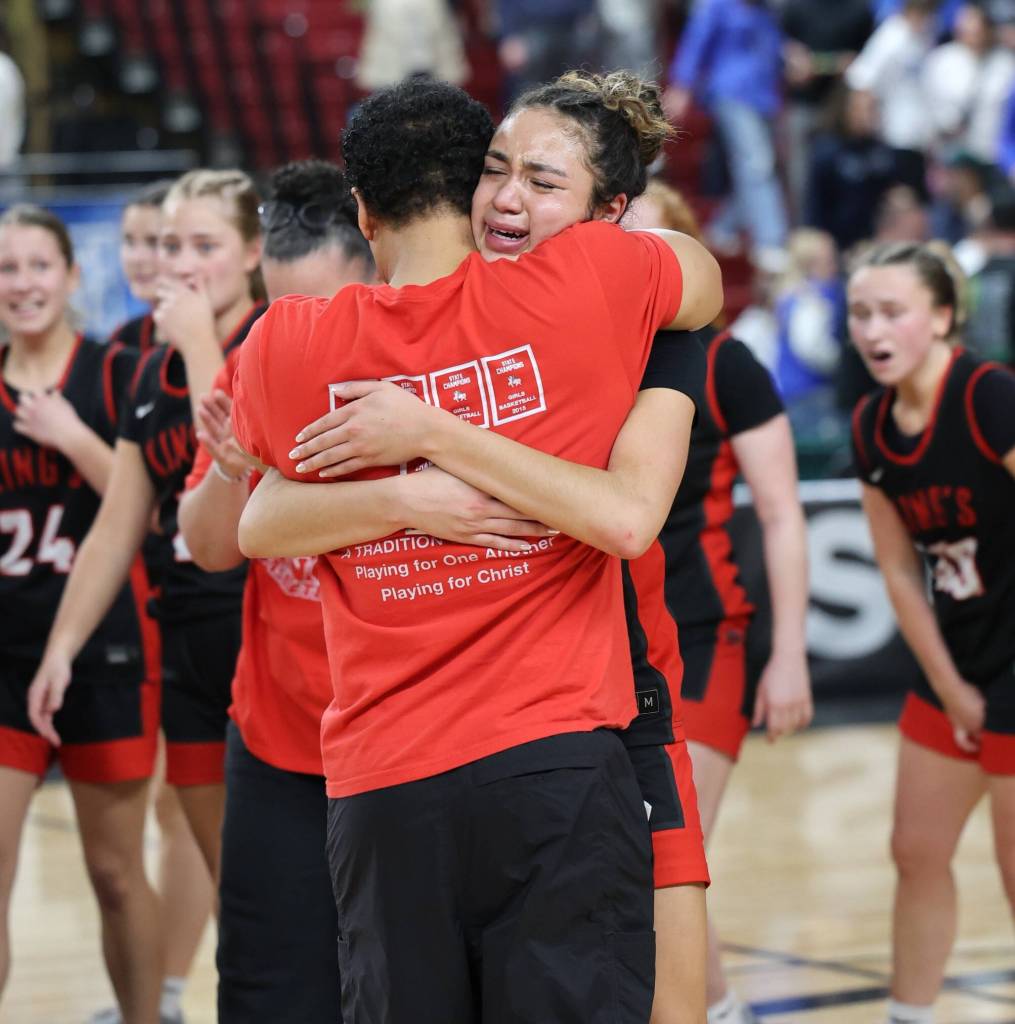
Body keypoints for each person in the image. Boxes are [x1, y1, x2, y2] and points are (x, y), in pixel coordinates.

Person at [232, 75, 722, 1024]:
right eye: (500, 173)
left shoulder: (283, 342)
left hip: (383, 780)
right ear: (470, 194)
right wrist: (416, 490)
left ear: (361, 211)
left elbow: (253, 511)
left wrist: (419, 445)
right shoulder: (593, 285)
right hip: (557, 761)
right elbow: (696, 278)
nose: (512, 197)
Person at [176, 159, 374, 1023]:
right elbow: (211, 547)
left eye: (323, 311)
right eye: (282, 311)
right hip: (278, 746)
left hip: (398, 748)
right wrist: (229, 471)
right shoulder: (255, 361)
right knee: (268, 995)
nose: (300, 334)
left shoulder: (418, 375)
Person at [28, 170, 266, 885]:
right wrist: (60, 649)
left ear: (252, 253)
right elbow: (115, 526)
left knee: (287, 885)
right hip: (188, 638)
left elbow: (235, 470)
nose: (180, 263)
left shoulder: (274, 335)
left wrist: (199, 348)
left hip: (267, 629)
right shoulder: (145, 372)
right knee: (236, 893)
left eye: (204, 243)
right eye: (167, 245)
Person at [629, 180, 813, 1024]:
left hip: (707, 635)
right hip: (613, 644)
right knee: (633, 857)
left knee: (663, 849)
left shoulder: (723, 359)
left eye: (655, 240)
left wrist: (788, 656)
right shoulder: (581, 353)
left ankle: (720, 1010)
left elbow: (779, 512)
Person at [0, 206, 162, 1022]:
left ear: (70, 277)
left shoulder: (115, 376)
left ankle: (144, 1014)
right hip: (4, 657)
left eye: (37, 266)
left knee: (114, 871)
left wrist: (70, 437)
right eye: (6, 269)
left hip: (106, 650)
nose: (21, 283)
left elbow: (151, 513)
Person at [848, 241, 1015, 1024]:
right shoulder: (870, 426)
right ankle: (907, 1017)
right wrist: (949, 685)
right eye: (859, 313)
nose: (871, 328)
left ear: (941, 318)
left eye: (892, 311)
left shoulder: (987, 397)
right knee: (914, 852)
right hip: (957, 656)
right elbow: (894, 569)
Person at [88, 176, 217, 1024]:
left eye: (163, 241)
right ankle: (161, 991)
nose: (148, 257)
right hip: (144, 600)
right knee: (175, 804)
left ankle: (168, 984)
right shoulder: (121, 354)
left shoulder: (205, 345)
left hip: (208, 597)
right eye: (137, 243)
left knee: (185, 810)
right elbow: (110, 514)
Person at [663, 0, 789, 272]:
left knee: (757, 164)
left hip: (765, 94)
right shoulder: (715, 5)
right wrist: (682, 84)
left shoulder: (766, 8)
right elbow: (697, 41)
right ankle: (770, 240)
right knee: (756, 162)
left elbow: (771, 45)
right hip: (732, 91)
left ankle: (723, 227)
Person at [111, 181, 172, 354]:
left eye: (154, 242)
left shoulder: (224, 336)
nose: (137, 259)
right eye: (129, 242)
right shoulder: (124, 339)